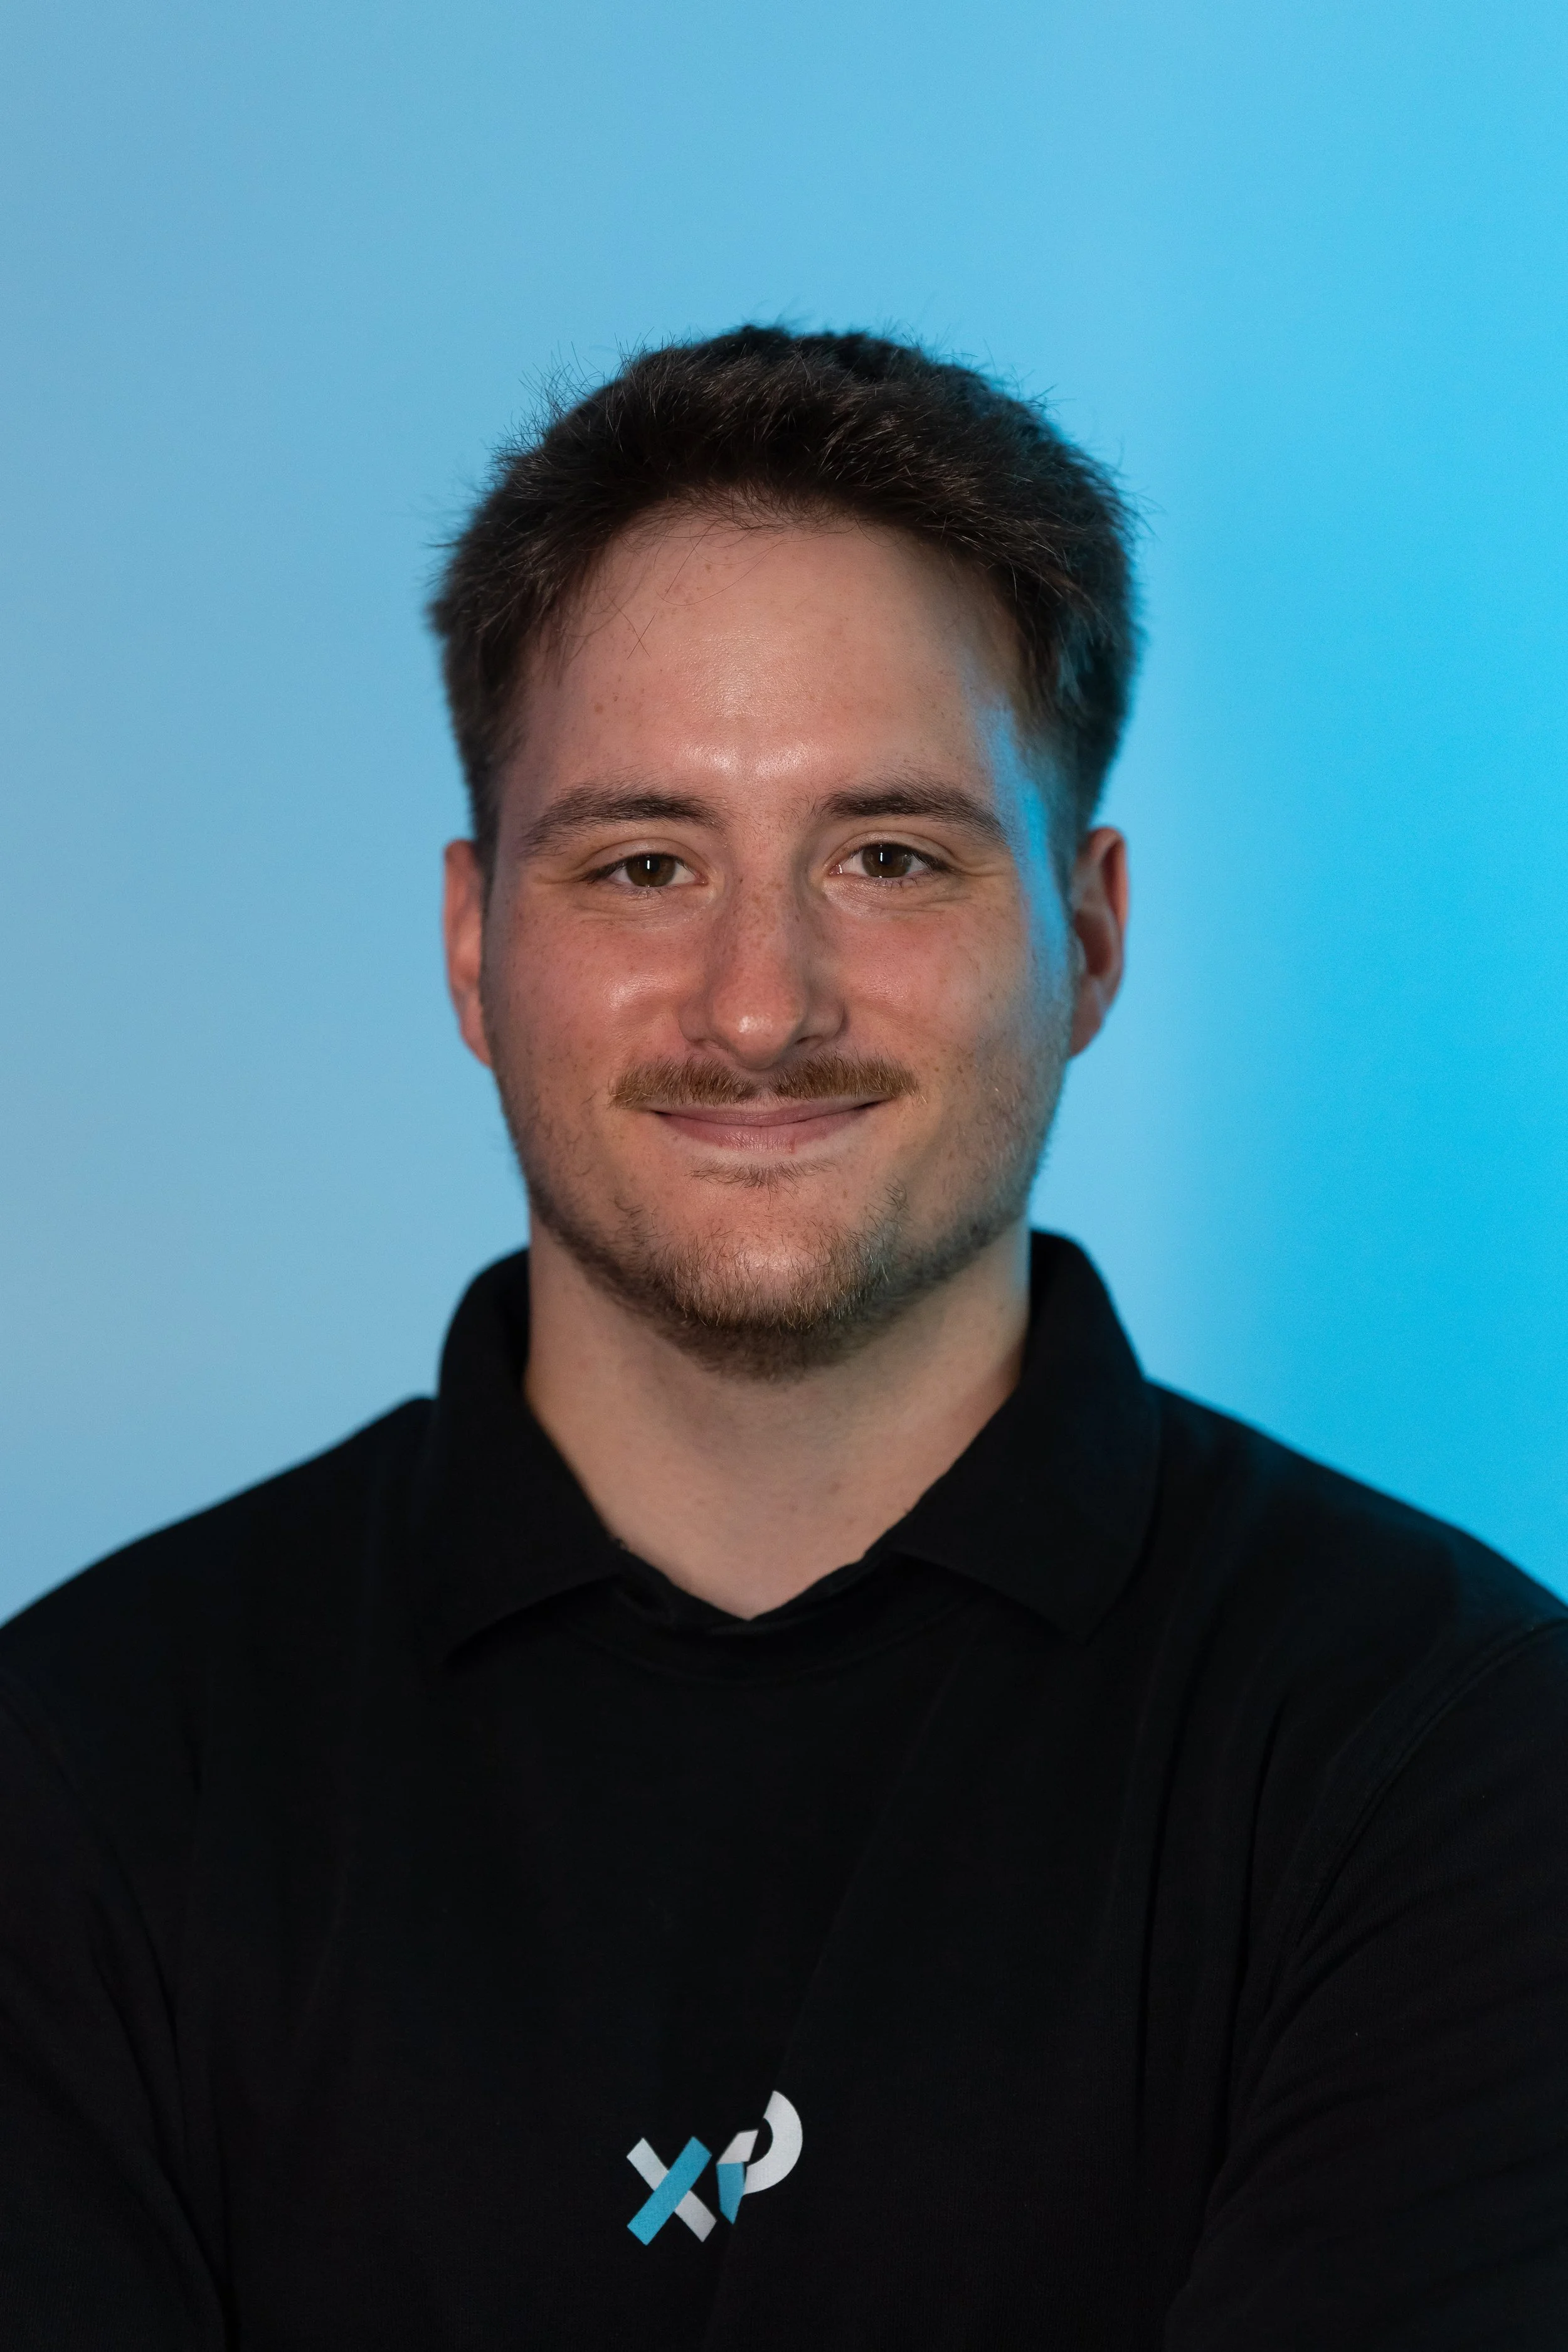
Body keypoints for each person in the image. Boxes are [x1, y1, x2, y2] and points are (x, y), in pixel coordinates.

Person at [2, 327, 1565, 2351]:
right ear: (474, 944)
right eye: (643, 863)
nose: (758, 1006)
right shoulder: (82, 1768)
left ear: (1087, 934)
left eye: (888, 857)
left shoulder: (1444, 1754)